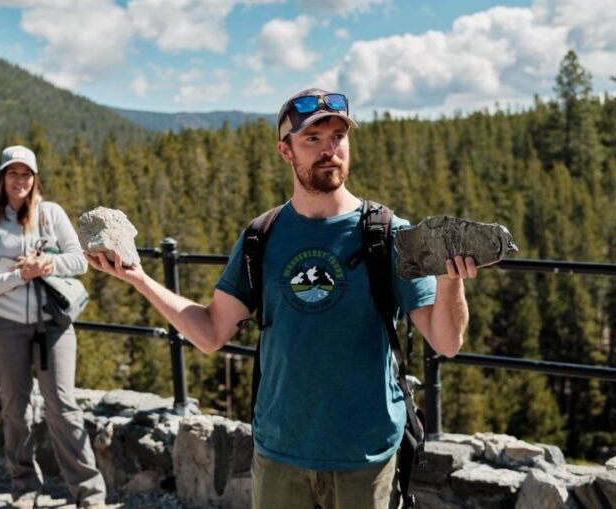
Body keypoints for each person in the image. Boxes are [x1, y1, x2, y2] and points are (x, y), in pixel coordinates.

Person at [86, 88, 483, 508]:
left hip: (365, 455)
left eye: (338, 137)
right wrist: (140, 279)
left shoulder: (388, 233)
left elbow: (446, 342)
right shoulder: (262, 236)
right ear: (285, 151)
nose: (329, 150)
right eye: (312, 138)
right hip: (279, 453)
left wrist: (450, 282)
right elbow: (211, 332)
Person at [0, 145, 106, 509]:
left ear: (35, 179)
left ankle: (90, 494)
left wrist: (47, 264)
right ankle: (24, 488)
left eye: (26, 174)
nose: (20, 180)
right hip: (4, 327)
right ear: (1, 178)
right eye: (12, 173)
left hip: (53, 325)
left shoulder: (51, 214)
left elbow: (80, 261)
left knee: (63, 405)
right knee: (16, 411)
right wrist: (19, 275)